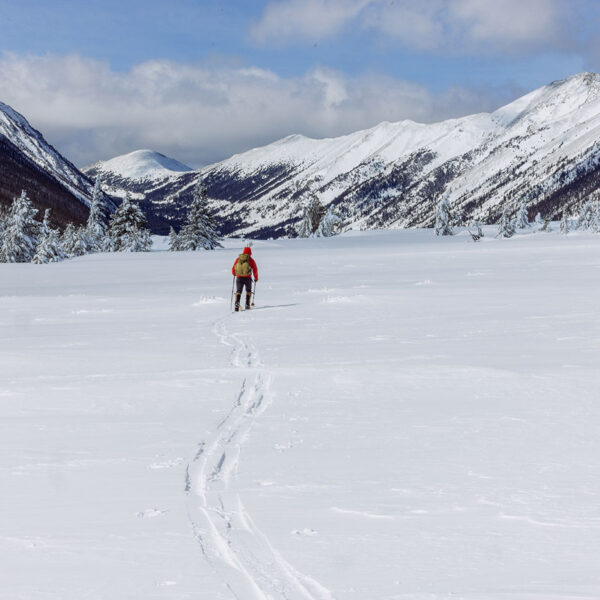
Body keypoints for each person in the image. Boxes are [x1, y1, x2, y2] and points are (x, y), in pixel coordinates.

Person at [231, 246, 258, 311]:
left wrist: (234, 274)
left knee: (238, 291)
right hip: (247, 278)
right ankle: (247, 304)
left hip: (239, 278)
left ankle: (237, 304)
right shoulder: (251, 260)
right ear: (250, 253)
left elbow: (233, 268)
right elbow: (255, 270)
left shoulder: (238, 259)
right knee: (248, 291)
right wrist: (256, 278)